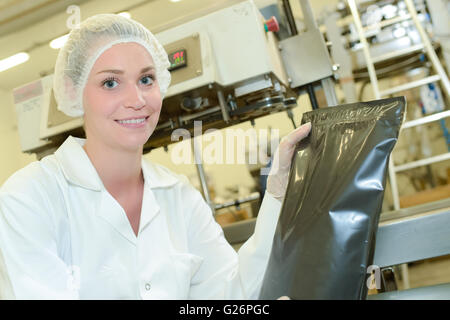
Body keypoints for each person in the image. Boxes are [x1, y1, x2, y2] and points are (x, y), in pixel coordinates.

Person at [0, 14, 311, 299]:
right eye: (110, 82)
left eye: (146, 79)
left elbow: (231, 294)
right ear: (74, 91)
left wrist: (276, 193)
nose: (136, 100)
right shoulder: (29, 197)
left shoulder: (178, 197)